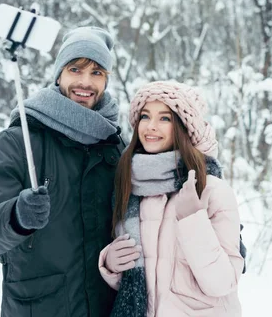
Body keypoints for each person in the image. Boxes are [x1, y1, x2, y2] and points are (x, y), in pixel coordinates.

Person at [0, 27, 123, 317]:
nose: (85, 82)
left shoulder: (115, 145)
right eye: (76, 69)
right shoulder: (19, 142)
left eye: (97, 72)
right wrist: (15, 217)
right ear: (59, 74)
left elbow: (152, 210)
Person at [98, 81, 244, 316]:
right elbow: (147, 288)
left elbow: (222, 283)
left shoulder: (211, 190)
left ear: (184, 127)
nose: (151, 127)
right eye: (145, 117)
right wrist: (112, 265)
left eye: (165, 119)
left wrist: (193, 220)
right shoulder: (129, 188)